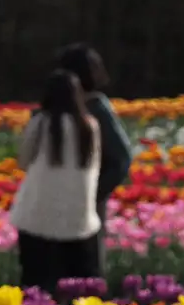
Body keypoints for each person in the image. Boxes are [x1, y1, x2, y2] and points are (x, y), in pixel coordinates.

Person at [10, 70, 101, 294]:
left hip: (37, 218)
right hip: (78, 221)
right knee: (78, 291)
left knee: (37, 284)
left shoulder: (41, 123)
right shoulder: (89, 127)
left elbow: (23, 161)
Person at [55, 44, 133, 274]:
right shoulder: (90, 108)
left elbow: (120, 159)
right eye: (96, 66)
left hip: (82, 201)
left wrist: (93, 192)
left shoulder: (95, 108)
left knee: (83, 263)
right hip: (58, 201)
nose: (102, 72)